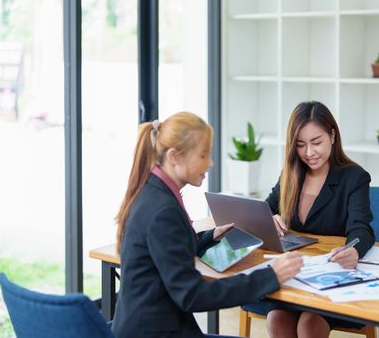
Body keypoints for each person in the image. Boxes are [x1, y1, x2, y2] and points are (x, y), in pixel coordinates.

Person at [112, 112, 304, 338]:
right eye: (203, 155)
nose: (211, 163)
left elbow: (165, 252)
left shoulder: (152, 192)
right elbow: (192, 295)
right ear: (174, 156)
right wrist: (270, 276)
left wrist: (208, 237)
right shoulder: (164, 210)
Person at [265, 101, 375, 338]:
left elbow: (361, 229)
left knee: (309, 325)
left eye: (317, 142)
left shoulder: (354, 178)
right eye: (301, 145)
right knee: (277, 320)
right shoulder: (291, 174)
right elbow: (265, 207)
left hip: (331, 277)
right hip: (295, 276)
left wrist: (353, 251)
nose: (309, 153)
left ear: (333, 136)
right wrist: (269, 217)